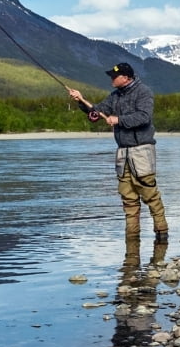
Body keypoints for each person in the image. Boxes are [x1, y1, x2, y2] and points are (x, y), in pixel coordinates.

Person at [68, 62, 169, 243]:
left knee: (150, 195)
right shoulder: (115, 96)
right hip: (123, 153)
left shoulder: (144, 92)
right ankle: (132, 240)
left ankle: (162, 236)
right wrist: (81, 102)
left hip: (142, 151)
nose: (111, 79)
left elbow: (144, 117)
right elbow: (98, 112)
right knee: (128, 199)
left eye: (114, 77)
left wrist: (118, 120)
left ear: (126, 77)